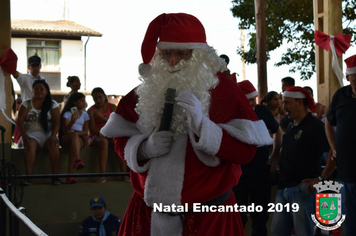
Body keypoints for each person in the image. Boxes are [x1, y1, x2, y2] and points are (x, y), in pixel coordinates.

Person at [100, 13, 273, 236]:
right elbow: (120, 140)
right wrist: (143, 148)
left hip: (209, 218)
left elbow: (247, 151)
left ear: (199, 54)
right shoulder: (141, 94)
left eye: (182, 53)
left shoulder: (226, 92)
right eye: (166, 53)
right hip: (146, 215)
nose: (172, 61)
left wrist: (205, 129)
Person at [270, 86, 330, 236]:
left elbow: (333, 151)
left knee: (304, 232)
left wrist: (322, 178)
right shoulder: (291, 126)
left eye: (287, 103)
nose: (284, 107)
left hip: (302, 190)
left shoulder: (315, 126)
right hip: (283, 189)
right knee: (277, 232)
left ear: (299, 102)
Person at [234, 80, 281, 235]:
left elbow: (277, 131)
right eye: (248, 100)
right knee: (239, 217)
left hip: (261, 172)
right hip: (238, 174)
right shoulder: (232, 111)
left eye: (253, 100)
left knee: (260, 217)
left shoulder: (261, 110)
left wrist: (275, 155)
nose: (252, 104)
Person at [325, 54, 356, 236]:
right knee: (350, 223)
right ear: (348, 78)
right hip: (346, 173)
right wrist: (333, 145)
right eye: (354, 79)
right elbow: (329, 121)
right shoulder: (340, 96)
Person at [16, 80, 60, 185]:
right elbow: (20, 120)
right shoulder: (26, 103)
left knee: (54, 145)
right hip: (31, 134)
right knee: (30, 145)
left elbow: (57, 122)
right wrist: (24, 135)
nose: (39, 91)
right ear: (33, 91)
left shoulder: (53, 104)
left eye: (42, 89)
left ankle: (55, 177)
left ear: (46, 91)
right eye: (36, 89)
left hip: (47, 135)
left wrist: (53, 136)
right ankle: (28, 177)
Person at [87, 87, 127, 183]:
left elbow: (116, 123)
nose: (98, 100)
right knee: (103, 142)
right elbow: (92, 129)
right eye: (95, 98)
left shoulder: (112, 107)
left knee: (116, 142)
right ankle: (102, 175)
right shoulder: (91, 110)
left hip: (110, 133)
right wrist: (104, 130)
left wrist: (101, 118)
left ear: (104, 96)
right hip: (97, 136)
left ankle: (124, 174)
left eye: (100, 97)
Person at [60, 92, 89, 184]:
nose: (84, 103)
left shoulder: (85, 115)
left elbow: (85, 131)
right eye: (81, 101)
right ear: (74, 102)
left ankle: (70, 174)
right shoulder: (67, 114)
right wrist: (72, 121)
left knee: (74, 142)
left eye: (84, 101)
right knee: (73, 139)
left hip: (78, 137)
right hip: (67, 137)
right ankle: (77, 160)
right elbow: (65, 129)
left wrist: (75, 134)